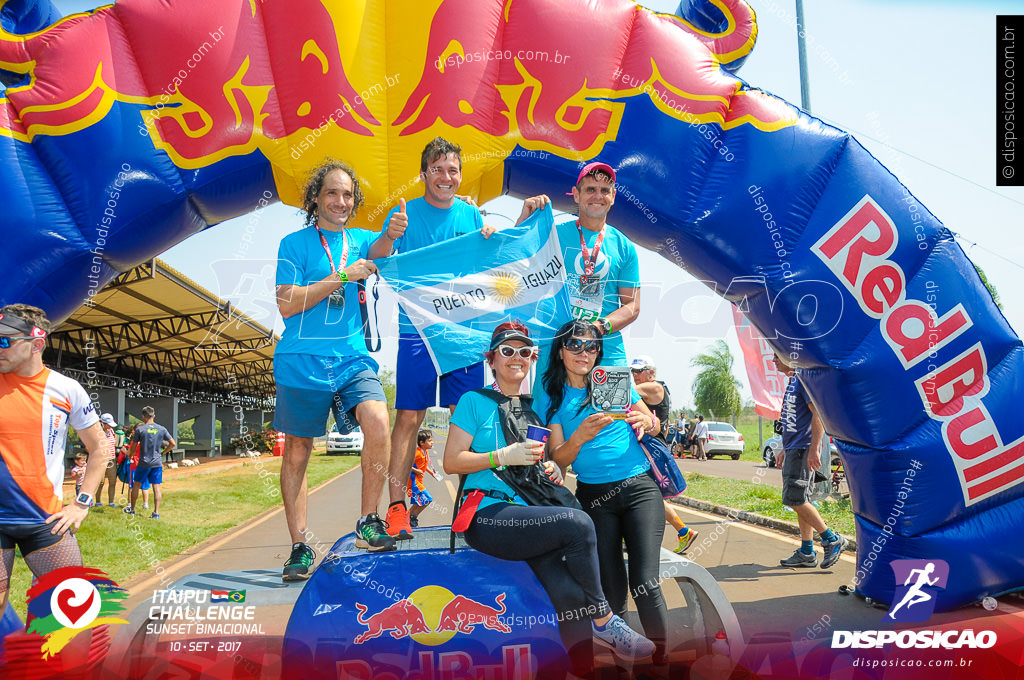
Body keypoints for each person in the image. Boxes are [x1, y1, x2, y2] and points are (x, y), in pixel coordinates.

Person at [445, 322, 655, 677]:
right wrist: (502, 455)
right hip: (487, 513)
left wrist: (551, 470)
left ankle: (583, 671)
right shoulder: (472, 401)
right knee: (578, 523)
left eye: (524, 352)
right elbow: (452, 461)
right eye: (507, 351)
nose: (517, 358)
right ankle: (605, 619)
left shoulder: (532, 410)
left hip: (530, 516)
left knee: (571, 598)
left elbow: (546, 461)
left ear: (533, 359)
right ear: (491, 358)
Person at [371, 137, 509, 540]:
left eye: (452, 170)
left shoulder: (470, 215)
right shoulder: (405, 215)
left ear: (460, 175)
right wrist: (389, 237)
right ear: (424, 174)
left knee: (465, 420)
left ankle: (471, 508)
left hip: (464, 336)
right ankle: (397, 509)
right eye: (437, 169)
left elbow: (495, 263)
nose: (446, 177)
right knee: (408, 419)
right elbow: (378, 259)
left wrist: (489, 230)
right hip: (417, 332)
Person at [274, 158, 395, 580]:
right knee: (297, 451)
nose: (340, 201)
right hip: (300, 361)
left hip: (352, 358)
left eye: (347, 194)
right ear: (316, 198)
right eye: (332, 192)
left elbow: (384, 248)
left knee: (379, 421)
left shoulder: (361, 239)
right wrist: (343, 276)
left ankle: (368, 520)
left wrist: (395, 232)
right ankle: (300, 546)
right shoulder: (294, 243)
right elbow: (287, 303)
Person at [536, 320, 670, 666]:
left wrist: (648, 423)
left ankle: (662, 664)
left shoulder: (613, 380)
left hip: (639, 488)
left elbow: (654, 424)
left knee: (645, 581)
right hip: (594, 498)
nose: (584, 353)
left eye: (591, 346)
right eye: (575, 345)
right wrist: (578, 436)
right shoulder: (551, 392)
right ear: (560, 350)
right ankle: (625, 662)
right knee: (611, 590)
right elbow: (558, 457)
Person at [0, 304, 112, 615]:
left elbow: (100, 448)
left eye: (4, 341)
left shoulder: (66, 389)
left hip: (43, 518)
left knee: (69, 605)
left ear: (37, 343)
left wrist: (81, 503)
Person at [517, 162, 640, 372]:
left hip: (607, 353)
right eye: (590, 189)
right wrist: (523, 220)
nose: (598, 196)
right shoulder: (553, 234)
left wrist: (597, 328)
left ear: (613, 196)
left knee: (616, 407)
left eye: (604, 191)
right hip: (557, 351)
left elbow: (633, 306)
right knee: (552, 406)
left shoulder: (624, 246)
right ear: (576, 194)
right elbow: (516, 264)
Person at [773, 353, 849, 569]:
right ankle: (807, 551)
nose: (774, 361)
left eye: (777, 356)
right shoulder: (793, 381)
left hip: (803, 449)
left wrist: (814, 449)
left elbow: (818, 415)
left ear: (790, 358)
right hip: (794, 448)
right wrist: (783, 447)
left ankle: (831, 539)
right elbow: (792, 420)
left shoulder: (803, 380)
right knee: (800, 499)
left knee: (794, 499)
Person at [630, 356, 698, 555]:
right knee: (647, 493)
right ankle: (683, 531)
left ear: (651, 372)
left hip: (652, 447)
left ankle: (681, 531)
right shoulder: (653, 388)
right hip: (649, 445)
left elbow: (623, 392)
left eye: (639, 370)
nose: (635, 375)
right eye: (633, 371)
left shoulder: (654, 387)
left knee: (645, 493)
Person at [127, 406, 174, 519]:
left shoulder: (140, 430)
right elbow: (173, 443)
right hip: (157, 463)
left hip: (143, 462)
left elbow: (133, 447)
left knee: (136, 485)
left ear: (143, 417)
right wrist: (163, 452)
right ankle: (156, 513)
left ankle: (132, 510)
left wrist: (130, 456)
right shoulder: (161, 429)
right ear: (154, 416)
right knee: (156, 487)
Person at [407, 430, 436, 527]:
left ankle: (407, 518)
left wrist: (431, 472)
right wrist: (416, 471)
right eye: (430, 440)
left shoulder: (425, 451)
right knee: (427, 499)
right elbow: (406, 464)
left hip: (419, 481)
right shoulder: (417, 453)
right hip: (414, 481)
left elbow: (423, 465)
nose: (432, 442)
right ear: (422, 443)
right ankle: (412, 516)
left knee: (419, 501)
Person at [94, 413, 122, 508]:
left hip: (111, 459)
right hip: (100, 460)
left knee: (112, 481)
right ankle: (98, 501)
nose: (110, 426)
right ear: (102, 423)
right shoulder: (97, 433)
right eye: (108, 424)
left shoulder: (112, 431)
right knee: (100, 482)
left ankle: (111, 502)